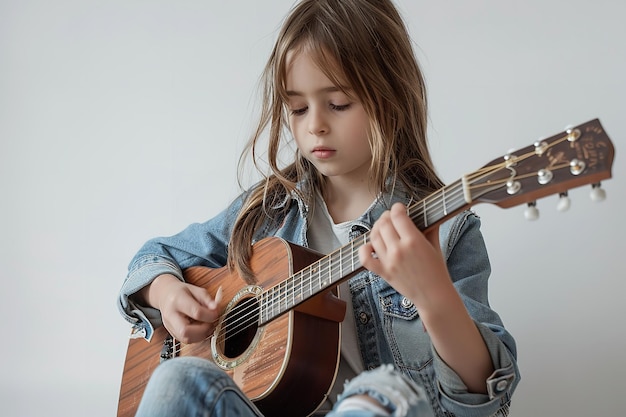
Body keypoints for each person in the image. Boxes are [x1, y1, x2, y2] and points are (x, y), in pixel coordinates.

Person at [117, 0, 520, 416]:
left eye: (339, 103)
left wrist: (433, 294)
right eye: (297, 108)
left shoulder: (449, 230)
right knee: (175, 378)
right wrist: (165, 293)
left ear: (392, 97)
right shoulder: (269, 210)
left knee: (381, 392)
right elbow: (154, 257)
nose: (315, 125)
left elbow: (482, 402)